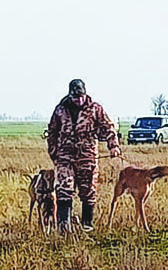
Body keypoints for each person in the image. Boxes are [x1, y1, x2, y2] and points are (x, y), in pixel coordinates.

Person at [47, 78, 121, 233]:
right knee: (63, 189)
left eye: (80, 96)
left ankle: (87, 225)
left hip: (87, 157)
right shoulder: (60, 110)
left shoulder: (95, 109)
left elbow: (108, 127)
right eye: (75, 97)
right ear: (70, 96)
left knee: (88, 191)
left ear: (85, 94)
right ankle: (63, 226)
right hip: (65, 157)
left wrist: (113, 146)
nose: (78, 100)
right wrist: (54, 152)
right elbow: (52, 132)